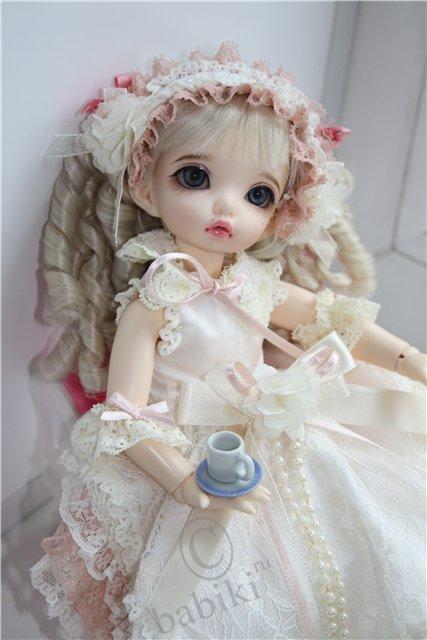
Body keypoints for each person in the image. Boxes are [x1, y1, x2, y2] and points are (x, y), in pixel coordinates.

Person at [29, 42, 426, 640]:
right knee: (224, 594)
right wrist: (186, 483)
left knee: (348, 540)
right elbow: (124, 415)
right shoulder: (154, 302)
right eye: (195, 177)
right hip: (201, 456)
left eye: (256, 194)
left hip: (281, 431)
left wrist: (409, 358)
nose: (226, 207)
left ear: (280, 210)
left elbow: (332, 317)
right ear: (145, 187)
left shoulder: (256, 282)